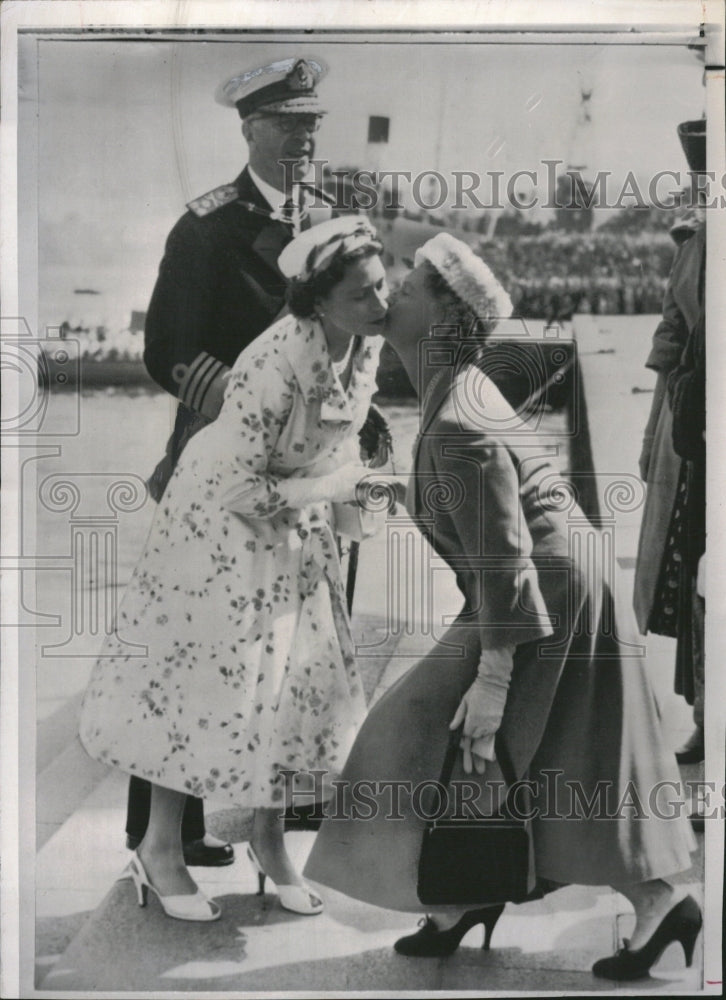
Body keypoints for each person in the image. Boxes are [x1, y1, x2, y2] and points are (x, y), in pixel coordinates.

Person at [304, 233, 700, 981]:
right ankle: (474, 898)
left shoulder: (458, 422)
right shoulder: (455, 393)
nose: (393, 292)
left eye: (411, 286)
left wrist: (492, 674)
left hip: (539, 591)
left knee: (459, 741)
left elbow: (502, 551)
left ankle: (645, 901)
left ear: (447, 321)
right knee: (541, 759)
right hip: (547, 583)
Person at [80, 216, 390, 921]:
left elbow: (335, 443)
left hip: (293, 521)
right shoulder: (273, 360)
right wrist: (333, 490)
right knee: (197, 682)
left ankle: (270, 843)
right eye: (362, 296)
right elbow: (239, 489)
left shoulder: (361, 349)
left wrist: (355, 485)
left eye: (382, 287)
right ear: (316, 303)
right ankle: (159, 850)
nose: (381, 306)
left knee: (293, 682)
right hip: (217, 525)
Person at [127, 56, 336, 864]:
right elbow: (166, 350)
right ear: (250, 130)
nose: (304, 138)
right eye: (290, 125)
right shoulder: (207, 227)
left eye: (312, 124)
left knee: (297, 641)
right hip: (219, 468)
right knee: (189, 640)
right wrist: (249, 415)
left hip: (307, 470)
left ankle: (282, 804)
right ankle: (163, 830)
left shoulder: (330, 223)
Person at [633, 119, 706, 768]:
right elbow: (671, 336)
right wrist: (655, 429)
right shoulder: (693, 239)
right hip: (694, 428)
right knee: (692, 570)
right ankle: (709, 715)